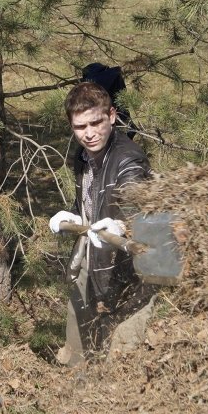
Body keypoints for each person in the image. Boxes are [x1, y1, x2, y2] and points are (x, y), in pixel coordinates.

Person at [48, 81, 152, 366]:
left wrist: (123, 225)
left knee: (121, 349)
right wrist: (75, 216)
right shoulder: (82, 156)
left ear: (112, 116)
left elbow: (135, 198)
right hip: (92, 257)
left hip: (126, 267)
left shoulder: (128, 158)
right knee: (78, 335)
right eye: (81, 127)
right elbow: (93, 199)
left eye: (96, 123)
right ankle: (76, 393)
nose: (90, 134)